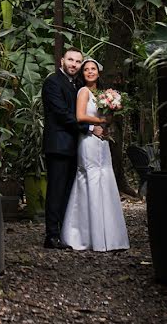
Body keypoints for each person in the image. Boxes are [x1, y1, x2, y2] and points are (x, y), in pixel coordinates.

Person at [60, 58, 129, 251]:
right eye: (86, 70)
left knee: (104, 178)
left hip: (102, 141)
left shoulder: (103, 94)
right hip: (88, 142)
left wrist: (108, 121)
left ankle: (110, 236)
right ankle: (83, 235)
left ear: (98, 72)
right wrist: (100, 121)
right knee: (89, 178)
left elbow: (109, 117)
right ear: (83, 74)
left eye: (93, 69)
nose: (90, 72)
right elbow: (80, 116)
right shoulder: (83, 92)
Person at [41, 48, 98, 249]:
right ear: (62, 60)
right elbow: (61, 113)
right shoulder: (52, 82)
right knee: (56, 190)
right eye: (70, 60)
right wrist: (90, 127)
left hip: (75, 145)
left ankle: (64, 232)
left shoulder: (77, 84)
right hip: (58, 144)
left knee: (68, 191)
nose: (74, 64)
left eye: (77, 61)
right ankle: (52, 235)